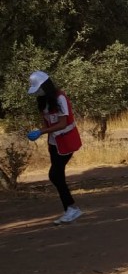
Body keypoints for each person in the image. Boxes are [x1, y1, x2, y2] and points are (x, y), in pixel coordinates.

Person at [26, 71, 83, 225]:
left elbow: (63, 123)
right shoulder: (42, 101)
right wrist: (40, 131)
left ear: (46, 85)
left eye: (38, 88)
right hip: (54, 142)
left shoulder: (60, 98)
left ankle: (72, 208)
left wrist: (41, 131)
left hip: (67, 141)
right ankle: (70, 210)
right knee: (58, 175)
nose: (37, 91)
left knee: (55, 175)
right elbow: (46, 122)